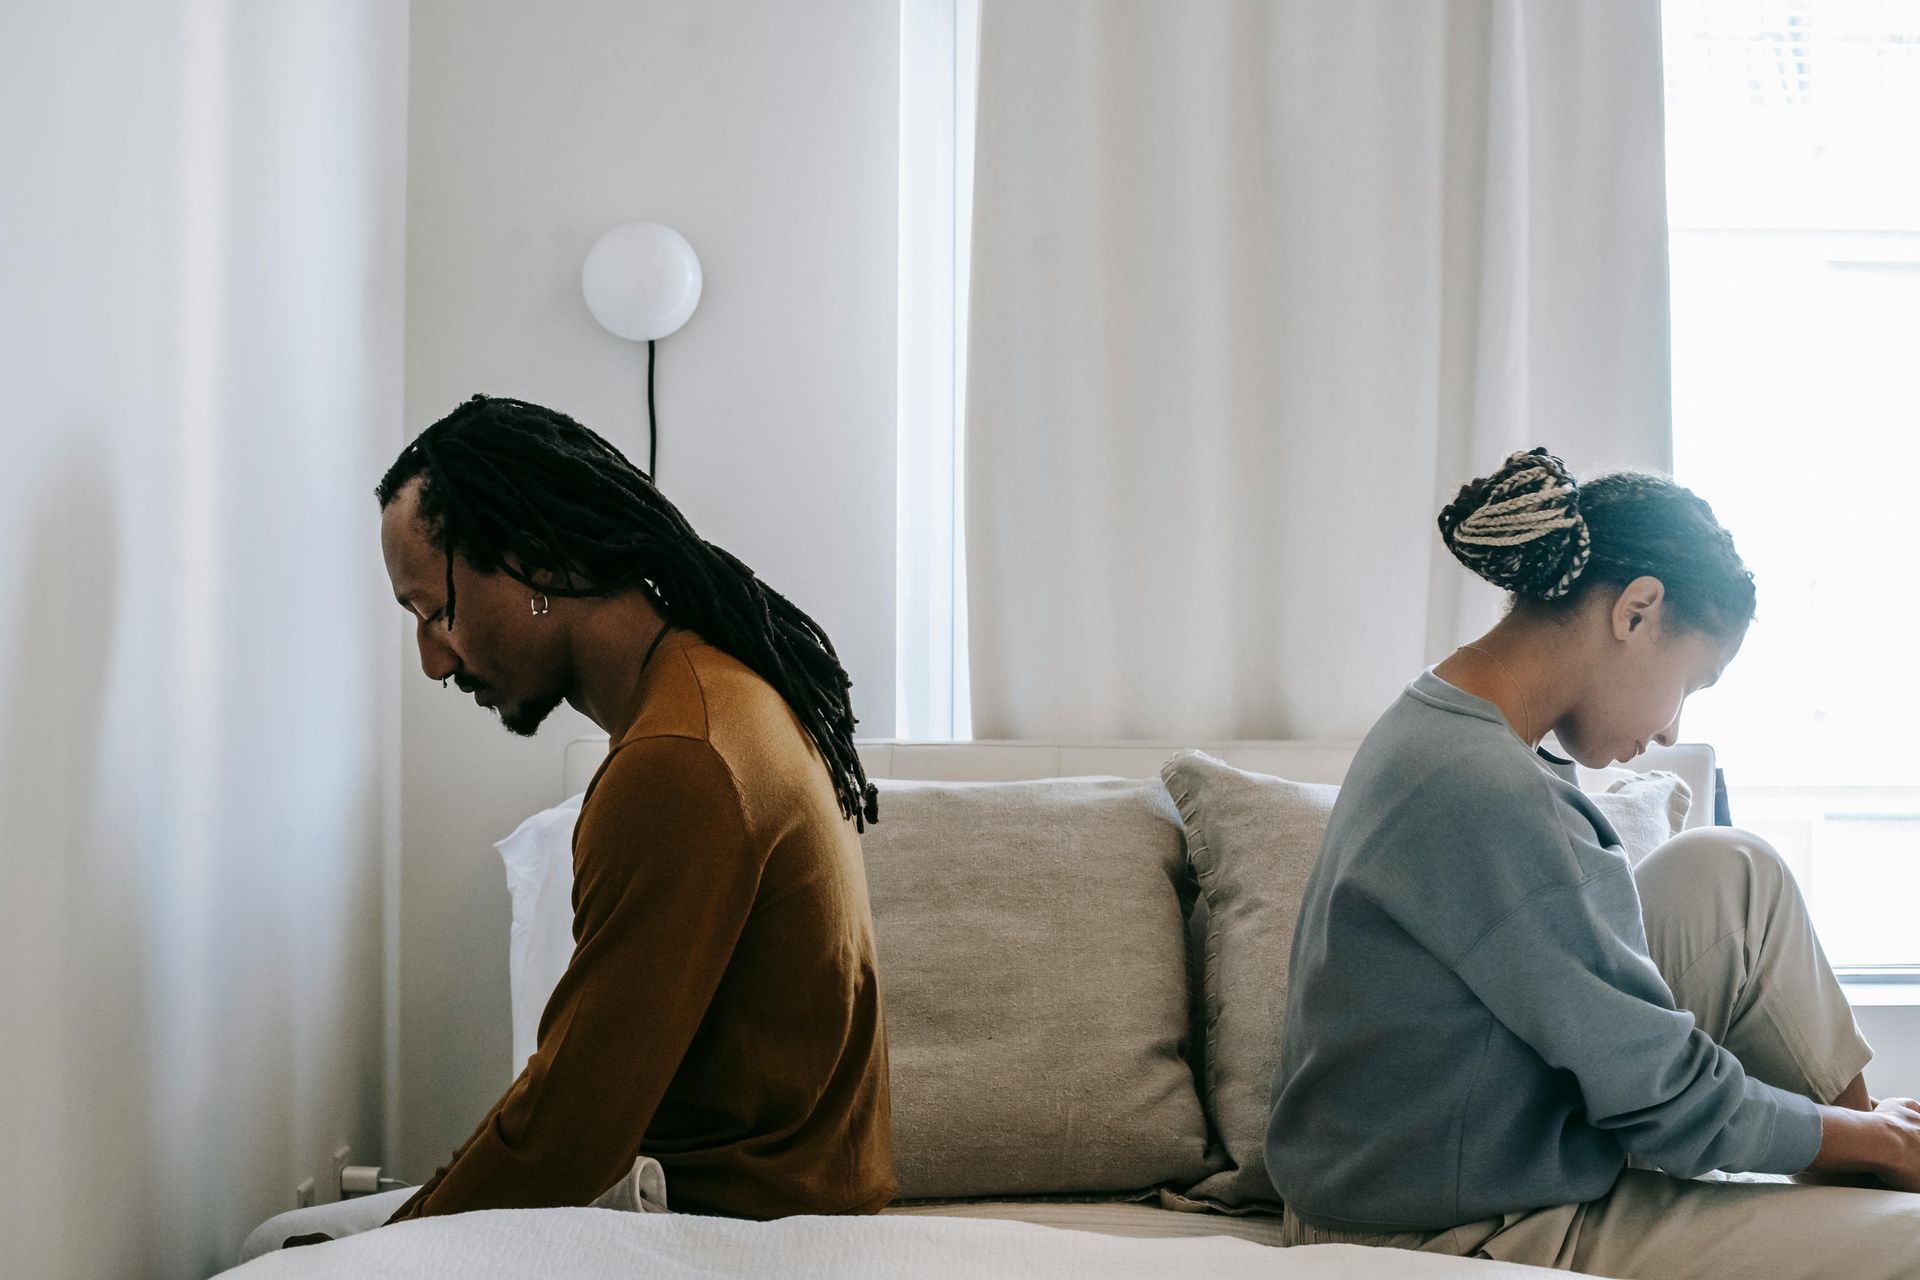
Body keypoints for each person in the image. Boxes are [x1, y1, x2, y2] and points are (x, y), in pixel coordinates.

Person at [240, 395, 893, 1261]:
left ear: (534, 560)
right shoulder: (717, 691)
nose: (434, 661)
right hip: (764, 1201)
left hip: (723, 1233)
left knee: (276, 1251)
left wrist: (392, 1248)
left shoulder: (679, 762)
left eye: (437, 612)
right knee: (279, 1238)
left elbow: (565, 1141)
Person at [1266, 448, 1920, 1277]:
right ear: (1637, 611)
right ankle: (1881, 1157)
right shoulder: (1488, 791)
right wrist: (1863, 1133)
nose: (1677, 731)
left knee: (1731, 871)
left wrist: (1862, 1132)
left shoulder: (1442, 718)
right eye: (1694, 683)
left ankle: (1882, 1154)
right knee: (1909, 1244)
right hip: (1443, 1225)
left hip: (1448, 1150)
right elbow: (1669, 1101)